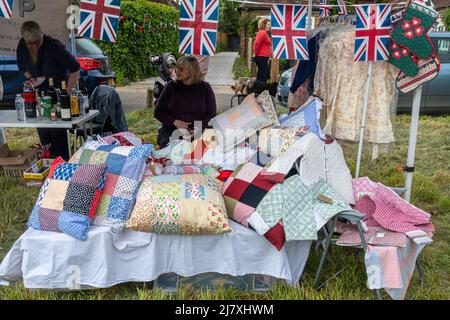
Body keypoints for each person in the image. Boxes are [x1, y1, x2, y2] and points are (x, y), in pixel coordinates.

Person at [16, 21, 80, 160]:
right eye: (30, 43)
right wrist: (31, 78)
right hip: (38, 97)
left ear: (41, 36)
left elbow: (75, 67)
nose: (34, 45)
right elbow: (22, 67)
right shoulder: (22, 45)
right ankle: (48, 164)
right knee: (43, 130)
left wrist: (67, 92)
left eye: (37, 41)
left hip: (56, 94)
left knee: (56, 131)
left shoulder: (53, 46)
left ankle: (63, 163)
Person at [154, 56, 217, 149]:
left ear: (192, 70)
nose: (176, 71)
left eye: (181, 69)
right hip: (172, 130)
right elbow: (158, 112)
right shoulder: (171, 86)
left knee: (206, 154)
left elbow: (211, 114)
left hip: (199, 130)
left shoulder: (205, 88)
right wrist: (174, 121)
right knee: (172, 155)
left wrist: (199, 128)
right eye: (176, 68)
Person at [253, 18, 272, 83]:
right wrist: (255, 54)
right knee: (263, 75)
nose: (270, 26)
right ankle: (257, 90)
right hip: (261, 57)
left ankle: (257, 90)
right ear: (264, 25)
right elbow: (256, 43)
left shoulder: (264, 33)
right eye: (268, 24)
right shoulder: (262, 33)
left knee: (264, 74)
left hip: (263, 57)